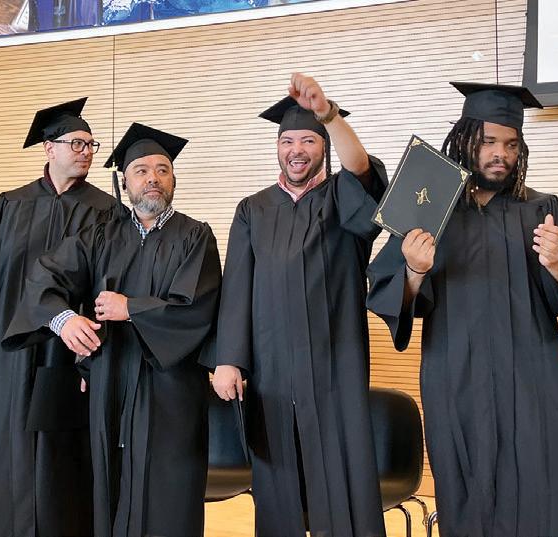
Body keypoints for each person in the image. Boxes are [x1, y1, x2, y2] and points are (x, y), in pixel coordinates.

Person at [367, 83, 558, 537]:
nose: (501, 154)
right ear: (464, 141)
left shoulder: (544, 210)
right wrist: (415, 270)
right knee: (469, 495)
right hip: (456, 379)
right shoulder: (430, 209)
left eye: (511, 144)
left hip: (537, 379)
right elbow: (387, 293)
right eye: (488, 142)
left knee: (553, 489)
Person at [2, 122, 220, 537]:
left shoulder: (195, 236)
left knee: (168, 496)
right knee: (109, 489)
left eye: (162, 170)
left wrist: (130, 308)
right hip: (109, 378)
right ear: (124, 181)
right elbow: (44, 276)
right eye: (141, 170)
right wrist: (64, 319)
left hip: (169, 389)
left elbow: (196, 307)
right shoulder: (100, 235)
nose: (152, 178)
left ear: (173, 180)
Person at [211, 73, 388, 537]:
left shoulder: (344, 198)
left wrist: (328, 115)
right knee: (278, 483)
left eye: (308, 140)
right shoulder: (253, 209)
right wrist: (229, 359)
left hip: (335, 368)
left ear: (324, 146)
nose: (296, 150)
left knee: (342, 477)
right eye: (287, 140)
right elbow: (237, 289)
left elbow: (362, 169)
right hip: (270, 369)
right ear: (276, 147)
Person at [0, 98, 116, 537]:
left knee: (58, 465)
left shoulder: (106, 211)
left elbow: (106, 289)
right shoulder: (10, 204)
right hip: (8, 355)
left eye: (91, 144)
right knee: (4, 459)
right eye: (77, 143)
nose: (86, 152)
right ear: (49, 148)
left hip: (65, 356)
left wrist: (91, 364)